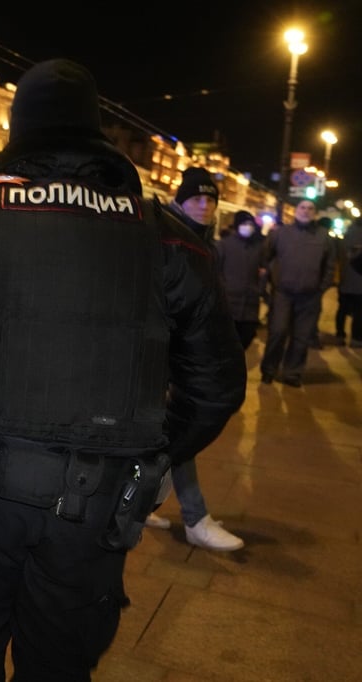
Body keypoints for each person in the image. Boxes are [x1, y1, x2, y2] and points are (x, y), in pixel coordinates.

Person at [0, 59, 246, 681]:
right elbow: (217, 384)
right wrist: (152, 453)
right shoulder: (166, 235)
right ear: (95, 135)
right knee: (60, 666)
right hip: (97, 503)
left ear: (20, 132)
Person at [141, 168, 245, 551]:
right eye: (196, 198)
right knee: (176, 436)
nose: (205, 205)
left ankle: (140, 504)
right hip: (165, 354)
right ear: (179, 200)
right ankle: (194, 518)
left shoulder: (204, 241)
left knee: (170, 437)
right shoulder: (170, 235)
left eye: (210, 198)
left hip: (185, 353)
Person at [260, 199, 337, 386]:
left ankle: (292, 373)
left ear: (315, 213)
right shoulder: (280, 233)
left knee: (301, 337)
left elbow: (330, 266)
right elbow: (265, 258)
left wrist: (320, 288)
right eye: (302, 207)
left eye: (310, 208)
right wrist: (269, 285)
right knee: (278, 332)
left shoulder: (324, 237)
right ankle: (269, 369)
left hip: (310, 296)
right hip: (283, 294)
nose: (306, 211)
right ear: (296, 211)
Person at [216, 210, 268, 349]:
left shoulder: (258, 247)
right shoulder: (224, 245)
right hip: (228, 303)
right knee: (224, 342)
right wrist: (222, 289)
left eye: (250, 224)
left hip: (250, 304)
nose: (248, 227)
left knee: (246, 337)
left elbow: (264, 269)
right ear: (237, 225)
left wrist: (260, 288)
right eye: (244, 223)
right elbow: (215, 270)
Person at [334, 219, 362, 347]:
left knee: (342, 309)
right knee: (359, 312)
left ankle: (340, 335)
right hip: (360, 283)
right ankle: (356, 338)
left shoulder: (345, 237)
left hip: (345, 280)